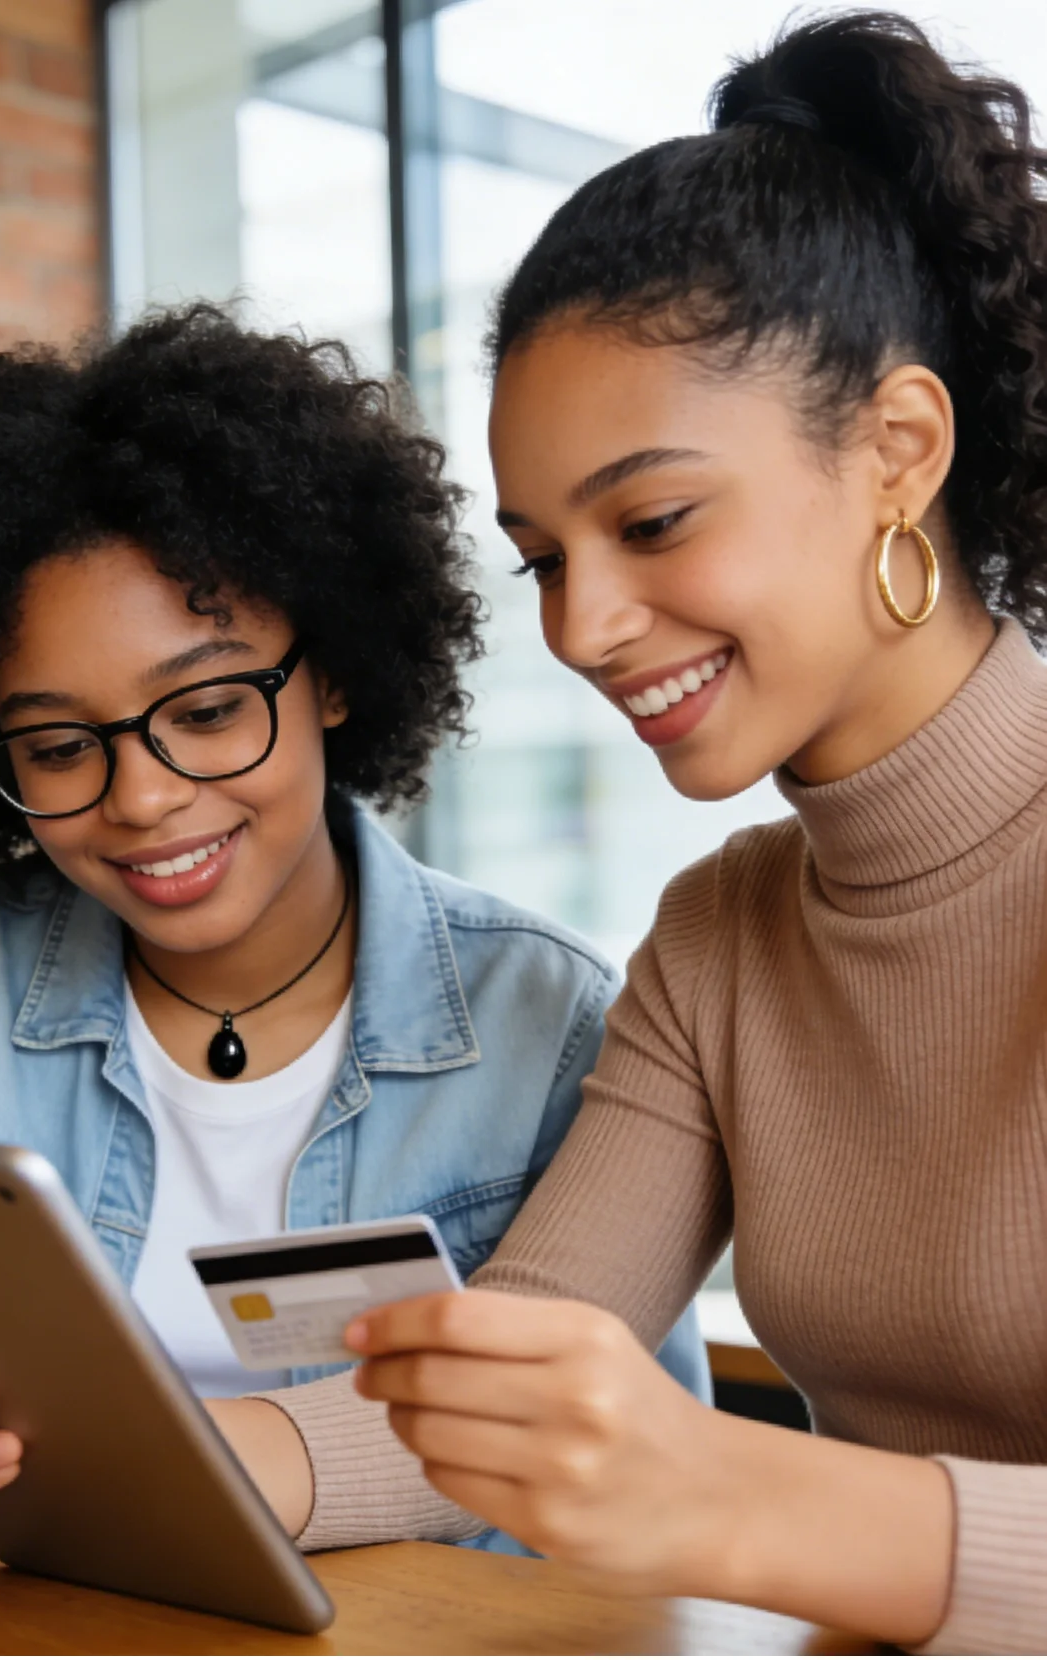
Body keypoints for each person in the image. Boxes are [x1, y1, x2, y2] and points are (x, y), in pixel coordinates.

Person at [168, 12, 1047, 1653]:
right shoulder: (722, 934)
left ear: (896, 454)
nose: (580, 626)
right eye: (542, 557)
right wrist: (66, 1470)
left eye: (648, 522)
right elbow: (515, 1358)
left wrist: (728, 1497)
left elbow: (711, 1498)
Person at [0, 303, 709, 1567]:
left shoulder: (543, 1017)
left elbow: (630, 1497)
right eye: (61, 745)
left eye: (211, 708)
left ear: (331, 673)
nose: (143, 796)